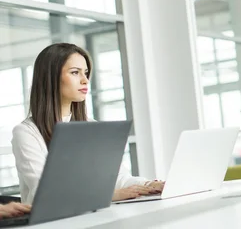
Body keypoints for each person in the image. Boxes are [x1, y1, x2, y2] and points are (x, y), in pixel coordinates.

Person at [12, 43, 165, 204]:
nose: (85, 80)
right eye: (75, 73)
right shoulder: (27, 133)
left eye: (85, 73)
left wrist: (150, 185)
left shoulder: (92, 127)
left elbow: (120, 179)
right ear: (50, 77)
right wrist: (110, 195)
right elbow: (44, 194)